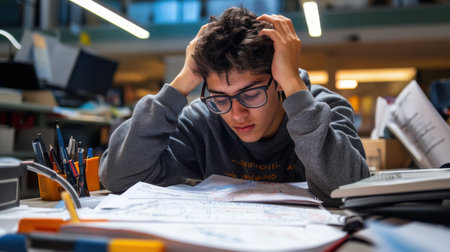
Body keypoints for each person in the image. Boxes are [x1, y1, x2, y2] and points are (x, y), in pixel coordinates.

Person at [99, 7, 369, 206]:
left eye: (250, 95)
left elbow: (349, 189)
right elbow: (118, 177)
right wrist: (181, 83)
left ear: (278, 82)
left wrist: (293, 84)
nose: (236, 114)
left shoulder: (324, 108)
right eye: (220, 98)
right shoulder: (202, 120)